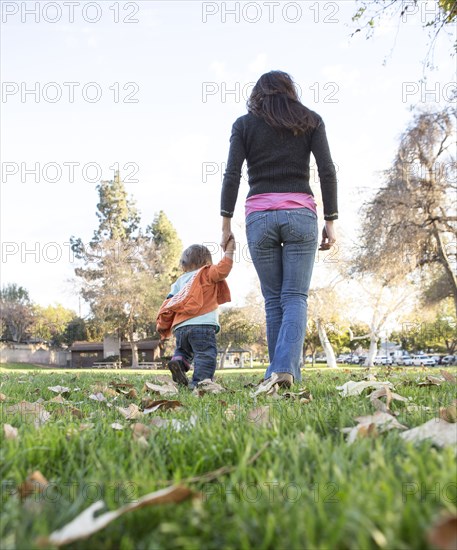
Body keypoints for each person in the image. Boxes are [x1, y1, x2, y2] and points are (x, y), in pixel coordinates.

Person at [220, 70, 338, 388]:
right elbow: (327, 170)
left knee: (274, 299)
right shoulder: (310, 120)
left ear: (258, 94)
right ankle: (283, 370)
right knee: (295, 296)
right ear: (290, 91)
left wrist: (225, 224)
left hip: (259, 217)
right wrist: (331, 221)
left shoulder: (243, 125)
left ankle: (277, 372)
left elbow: (231, 173)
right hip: (300, 215)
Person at [156, 240, 235, 389]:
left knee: (183, 351)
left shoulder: (180, 281)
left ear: (184, 264)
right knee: (205, 353)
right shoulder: (206, 272)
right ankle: (199, 383)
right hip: (202, 325)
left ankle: (178, 362)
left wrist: (164, 324)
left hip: (180, 327)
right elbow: (224, 269)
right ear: (206, 262)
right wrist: (229, 251)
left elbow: (169, 302)